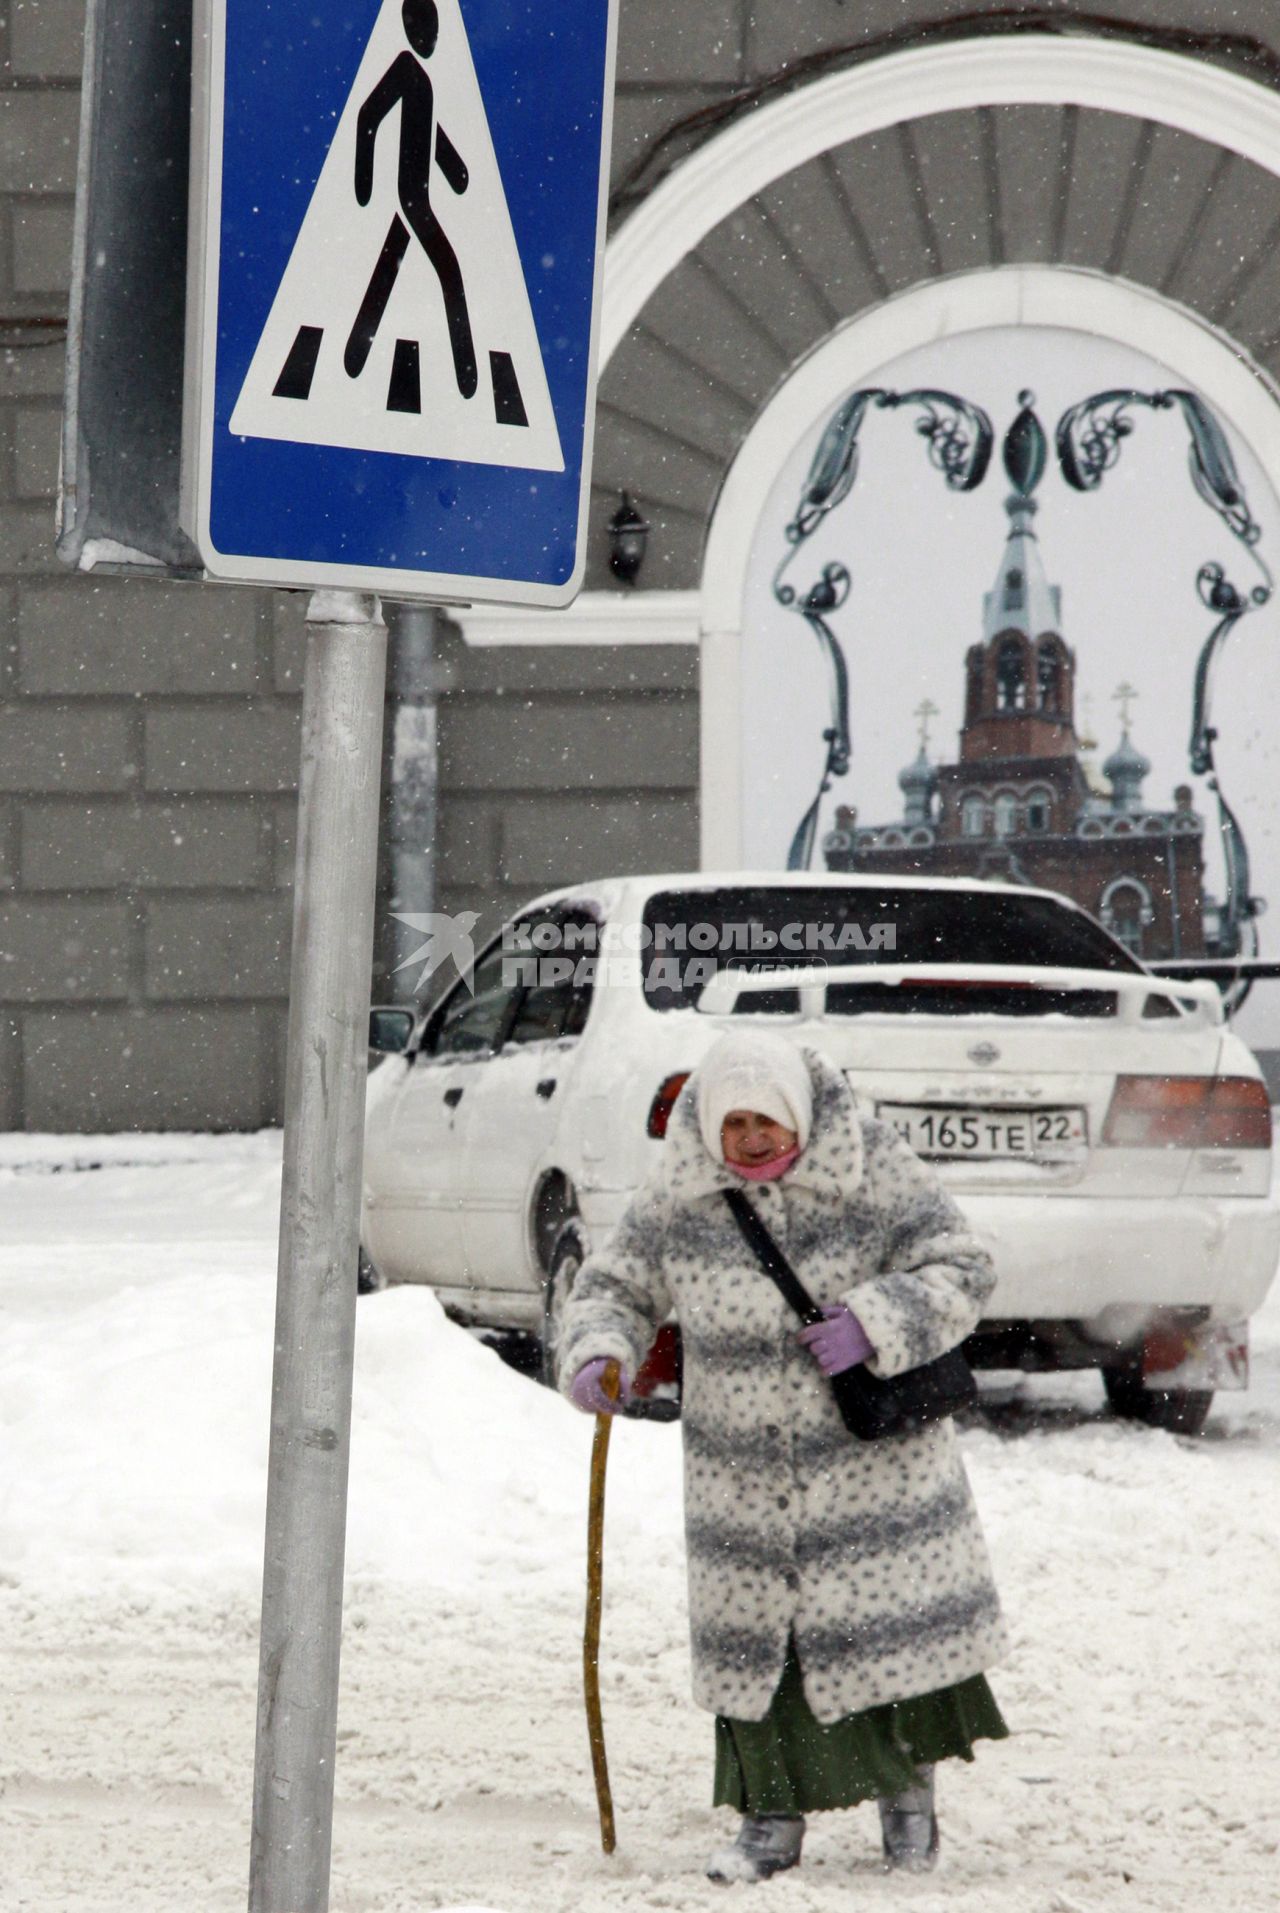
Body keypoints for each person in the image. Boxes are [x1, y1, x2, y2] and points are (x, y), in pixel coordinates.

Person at [560, 1027, 1009, 1884]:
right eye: (735, 1125)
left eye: (768, 1120)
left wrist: (876, 1319)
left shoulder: (870, 1168)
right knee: (765, 1655)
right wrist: (598, 1350)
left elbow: (963, 1262)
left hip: (873, 1476)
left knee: (889, 1645)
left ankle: (909, 1808)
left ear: (801, 1113)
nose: (754, 1138)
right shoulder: (682, 1195)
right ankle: (770, 1821)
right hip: (741, 1482)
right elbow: (616, 1283)